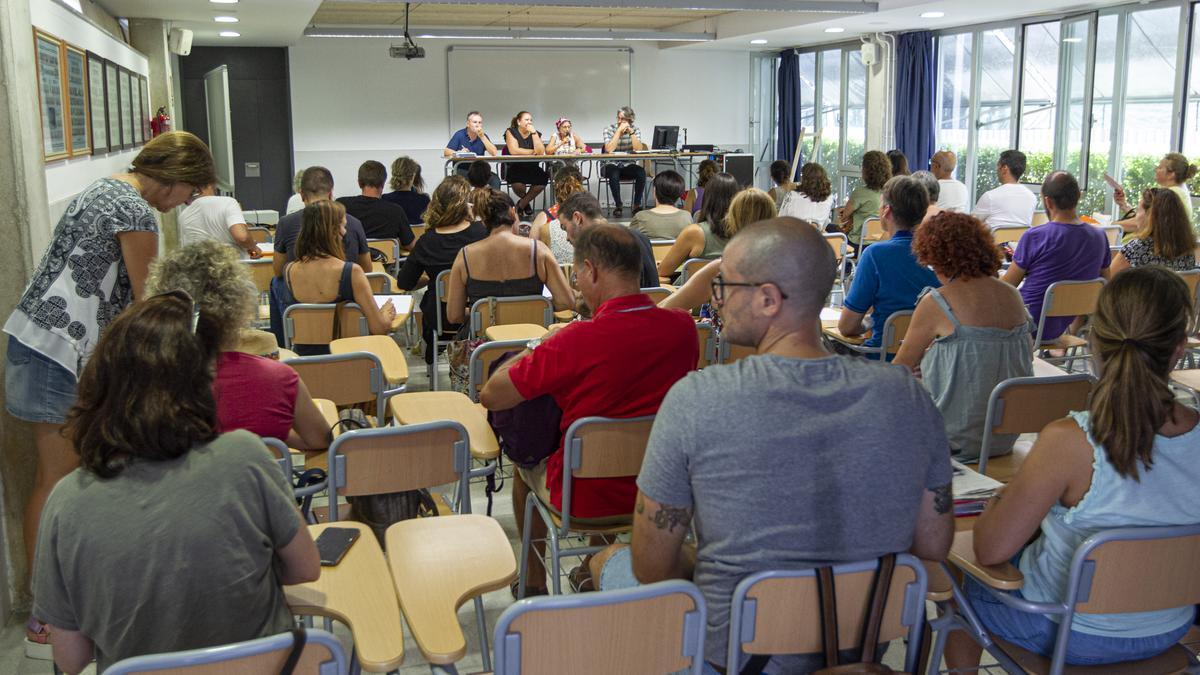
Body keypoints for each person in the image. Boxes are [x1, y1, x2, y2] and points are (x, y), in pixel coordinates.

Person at [630, 218, 953, 672]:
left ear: (767, 298)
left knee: (613, 568)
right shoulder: (908, 396)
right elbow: (934, 543)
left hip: (735, 657)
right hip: (863, 648)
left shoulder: (696, 399)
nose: (715, 299)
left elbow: (650, 565)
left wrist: (712, 561)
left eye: (723, 287)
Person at [4, 130, 214, 656]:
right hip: (57, 353)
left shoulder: (102, 189)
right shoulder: (137, 211)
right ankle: (46, 621)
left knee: (58, 477)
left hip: (38, 341)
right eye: (188, 191)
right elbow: (148, 305)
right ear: (172, 178)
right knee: (57, 481)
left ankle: (61, 608)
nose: (185, 202)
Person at [31, 294, 320, 674]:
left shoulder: (65, 502)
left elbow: (70, 658)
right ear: (199, 383)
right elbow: (305, 569)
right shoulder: (245, 456)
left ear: (99, 387)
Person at [946, 266, 1200, 669]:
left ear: (1095, 341)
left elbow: (990, 549)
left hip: (1067, 632)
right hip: (1169, 628)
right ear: (1179, 349)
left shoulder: (1070, 440)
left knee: (961, 581)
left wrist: (1001, 501)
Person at [480, 224, 698, 596]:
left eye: (578, 273)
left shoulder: (573, 341)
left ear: (592, 271)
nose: (577, 282)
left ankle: (532, 580)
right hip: (663, 491)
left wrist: (538, 345)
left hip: (584, 496)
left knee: (525, 468)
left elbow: (492, 396)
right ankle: (591, 566)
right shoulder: (683, 329)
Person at [147, 241, 331, 450]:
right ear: (236, 305)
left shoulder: (147, 383)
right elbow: (320, 440)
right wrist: (275, 431)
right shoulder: (279, 378)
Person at [893, 212, 1034, 460]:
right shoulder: (1013, 296)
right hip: (1004, 439)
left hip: (951, 440)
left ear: (937, 257)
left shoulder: (937, 301)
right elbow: (1021, 356)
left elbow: (897, 372)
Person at [445, 189, 574, 392]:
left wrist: (483, 312)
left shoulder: (465, 256)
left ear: (484, 220)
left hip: (486, 355)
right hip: (532, 350)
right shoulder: (537, 251)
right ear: (513, 213)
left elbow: (454, 316)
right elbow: (567, 302)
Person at [839, 175, 942, 357]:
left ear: (886, 210)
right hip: (929, 360)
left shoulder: (876, 255)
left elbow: (847, 326)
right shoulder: (941, 253)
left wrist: (867, 323)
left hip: (883, 358)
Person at [269, 166, 372, 346]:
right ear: (331, 194)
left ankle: (281, 345)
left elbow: (278, 270)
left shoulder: (286, 224)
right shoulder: (354, 224)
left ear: (301, 195)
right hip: (347, 321)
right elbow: (367, 269)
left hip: (302, 322)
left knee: (277, 283)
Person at [279, 200, 397, 356]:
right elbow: (379, 328)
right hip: (350, 362)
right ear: (335, 232)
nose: (345, 232)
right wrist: (385, 314)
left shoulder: (288, 271)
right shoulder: (351, 272)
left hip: (305, 366)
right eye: (343, 225)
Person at [1002, 171, 1110, 340]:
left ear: (1048, 201)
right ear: (1078, 197)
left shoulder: (1035, 236)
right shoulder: (1100, 237)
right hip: (1066, 323)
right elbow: (1105, 282)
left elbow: (1006, 287)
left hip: (1026, 322)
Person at [395, 175, 488, 364]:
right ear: (466, 205)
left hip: (443, 318)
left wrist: (435, 280)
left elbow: (404, 283)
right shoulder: (482, 232)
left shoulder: (427, 242)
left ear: (436, 204)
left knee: (426, 302)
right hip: (482, 312)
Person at [559, 191, 659, 290]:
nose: (567, 238)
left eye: (564, 228)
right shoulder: (640, 238)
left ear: (577, 218)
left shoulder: (598, 249)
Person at [656, 173, 741, 278]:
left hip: (694, 293)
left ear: (707, 198)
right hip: (732, 292)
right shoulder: (746, 234)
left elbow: (663, 271)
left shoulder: (695, 233)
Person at [1110, 189, 1197, 274]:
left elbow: (1108, 279)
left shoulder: (1137, 248)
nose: (1136, 216)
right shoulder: (1189, 251)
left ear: (1149, 215)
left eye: (1138, 210)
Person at [337, 160, 414, 247]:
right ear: (383, 184)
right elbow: (409, 245)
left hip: (352, 259)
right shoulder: (396, 211)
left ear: (359, 183)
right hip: (386, 259)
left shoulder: (341, 205)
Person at [179, 183, 261, 259]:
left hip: (198, 268)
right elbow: (242, 237)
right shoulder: (228, 202)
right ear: (211, 184)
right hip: (229, 266)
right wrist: (253, 247)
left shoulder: (184, 214)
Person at [1113, 152, 1197, 223]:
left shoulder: (1170, 195)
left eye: (1160, 167)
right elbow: (1144, 218)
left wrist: (1110, 225)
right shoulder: (1178, 191)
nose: (1155, 169)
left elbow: (1143, 224)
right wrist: (1124, 204)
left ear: (1172, 174)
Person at [837, 150, 891, 253]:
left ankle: (844, 268)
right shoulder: (890, 192)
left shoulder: (860, 193)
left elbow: (844, 215)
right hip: (881, 242)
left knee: (832, 230)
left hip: (858, 245)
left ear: (866, 171)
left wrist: (848, 214)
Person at [601, 106, 647, 217]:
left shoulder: (635, 130)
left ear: (630, 120)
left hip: (628, 164)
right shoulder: (609, 129)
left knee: (641, 172)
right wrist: (618, 132)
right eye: (618, 118)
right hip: (609, 165)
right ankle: (618, 205)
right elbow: (609, 149)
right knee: (614, 173)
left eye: (623, 119)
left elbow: (638, 149)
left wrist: (631, 133)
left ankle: (636, 205)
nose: (619, 121)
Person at [973, 150, 1038, 229]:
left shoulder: (990, 197)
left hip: (993, 241)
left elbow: (970, 223)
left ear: (1004, 168)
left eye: (998, 166)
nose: (997, 170)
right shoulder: (1032, 198)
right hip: (1020, 241)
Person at [530, 169, 583, 264]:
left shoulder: (544, 217)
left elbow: (531, 254)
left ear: (556, 187)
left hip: (553, 273)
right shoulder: (590, 214)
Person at [504, 111, 549, 218]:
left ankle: (521, 205)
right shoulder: (511, 131)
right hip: (516, 166)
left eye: (531, 120)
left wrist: (534, 134)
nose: (529, 122)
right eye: (526, 120)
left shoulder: (536, 133)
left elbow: (541, 151)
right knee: (518, 184)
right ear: (519, 122)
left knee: (542, 180)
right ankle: (525, 203)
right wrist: (532, 152)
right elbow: (514, 150)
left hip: (533, 167)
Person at [444, 110, 501, 189]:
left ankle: (493, 201)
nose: (477, 125)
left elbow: (494, 152)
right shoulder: (459, 135)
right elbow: (446, 152)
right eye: (475, 122)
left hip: (479, 171)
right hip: (462, 170)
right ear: (468, 124)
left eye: (480, 122)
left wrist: (482, 137)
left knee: (495, 180)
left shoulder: (483, 136)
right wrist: (458, 153)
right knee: (461, 182)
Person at [629, 170, 692, 239]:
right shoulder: (686, 217)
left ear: (654, 191)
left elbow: (627, 241)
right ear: (680, 193)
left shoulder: (641, 217)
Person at [779, 162, 835, 227]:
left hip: (793, 234)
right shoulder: (829, 198)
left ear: (803, 178)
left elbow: (781, 219)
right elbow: (826, 222)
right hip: (818, 235)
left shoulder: (792, 195)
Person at [382, 155, 430, 227]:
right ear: (413, 176)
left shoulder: (385, 199)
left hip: (395, 238)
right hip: (419, 237)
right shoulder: (424, 200)